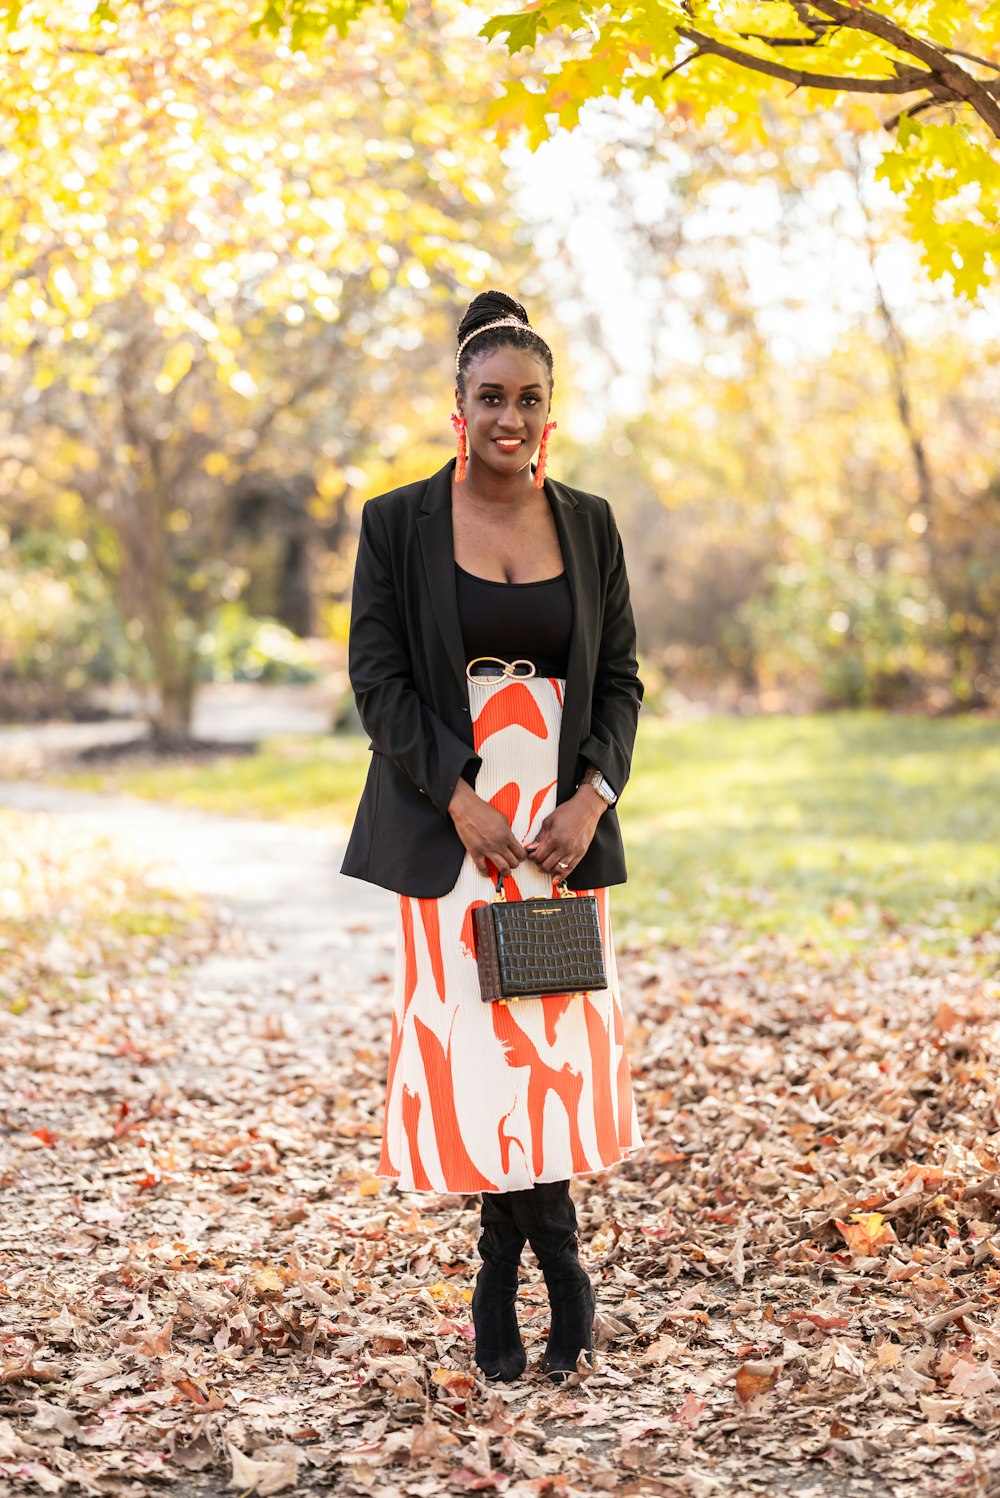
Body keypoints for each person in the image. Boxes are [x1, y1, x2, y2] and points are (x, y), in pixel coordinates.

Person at [341, 288, 645, 1383]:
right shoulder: (397, 522)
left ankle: (545, 1267)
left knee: (548, 1055)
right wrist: (460, 796)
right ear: (455, 408)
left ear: (549, 413)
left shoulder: (590, 522)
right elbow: (375, 681)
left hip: (558, 836)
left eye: (529, 399)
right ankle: (520, 1271)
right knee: (483, 1059)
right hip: (450, 830)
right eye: (489, 397)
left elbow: (617, 681)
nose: (508, 417)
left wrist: (592, 796)